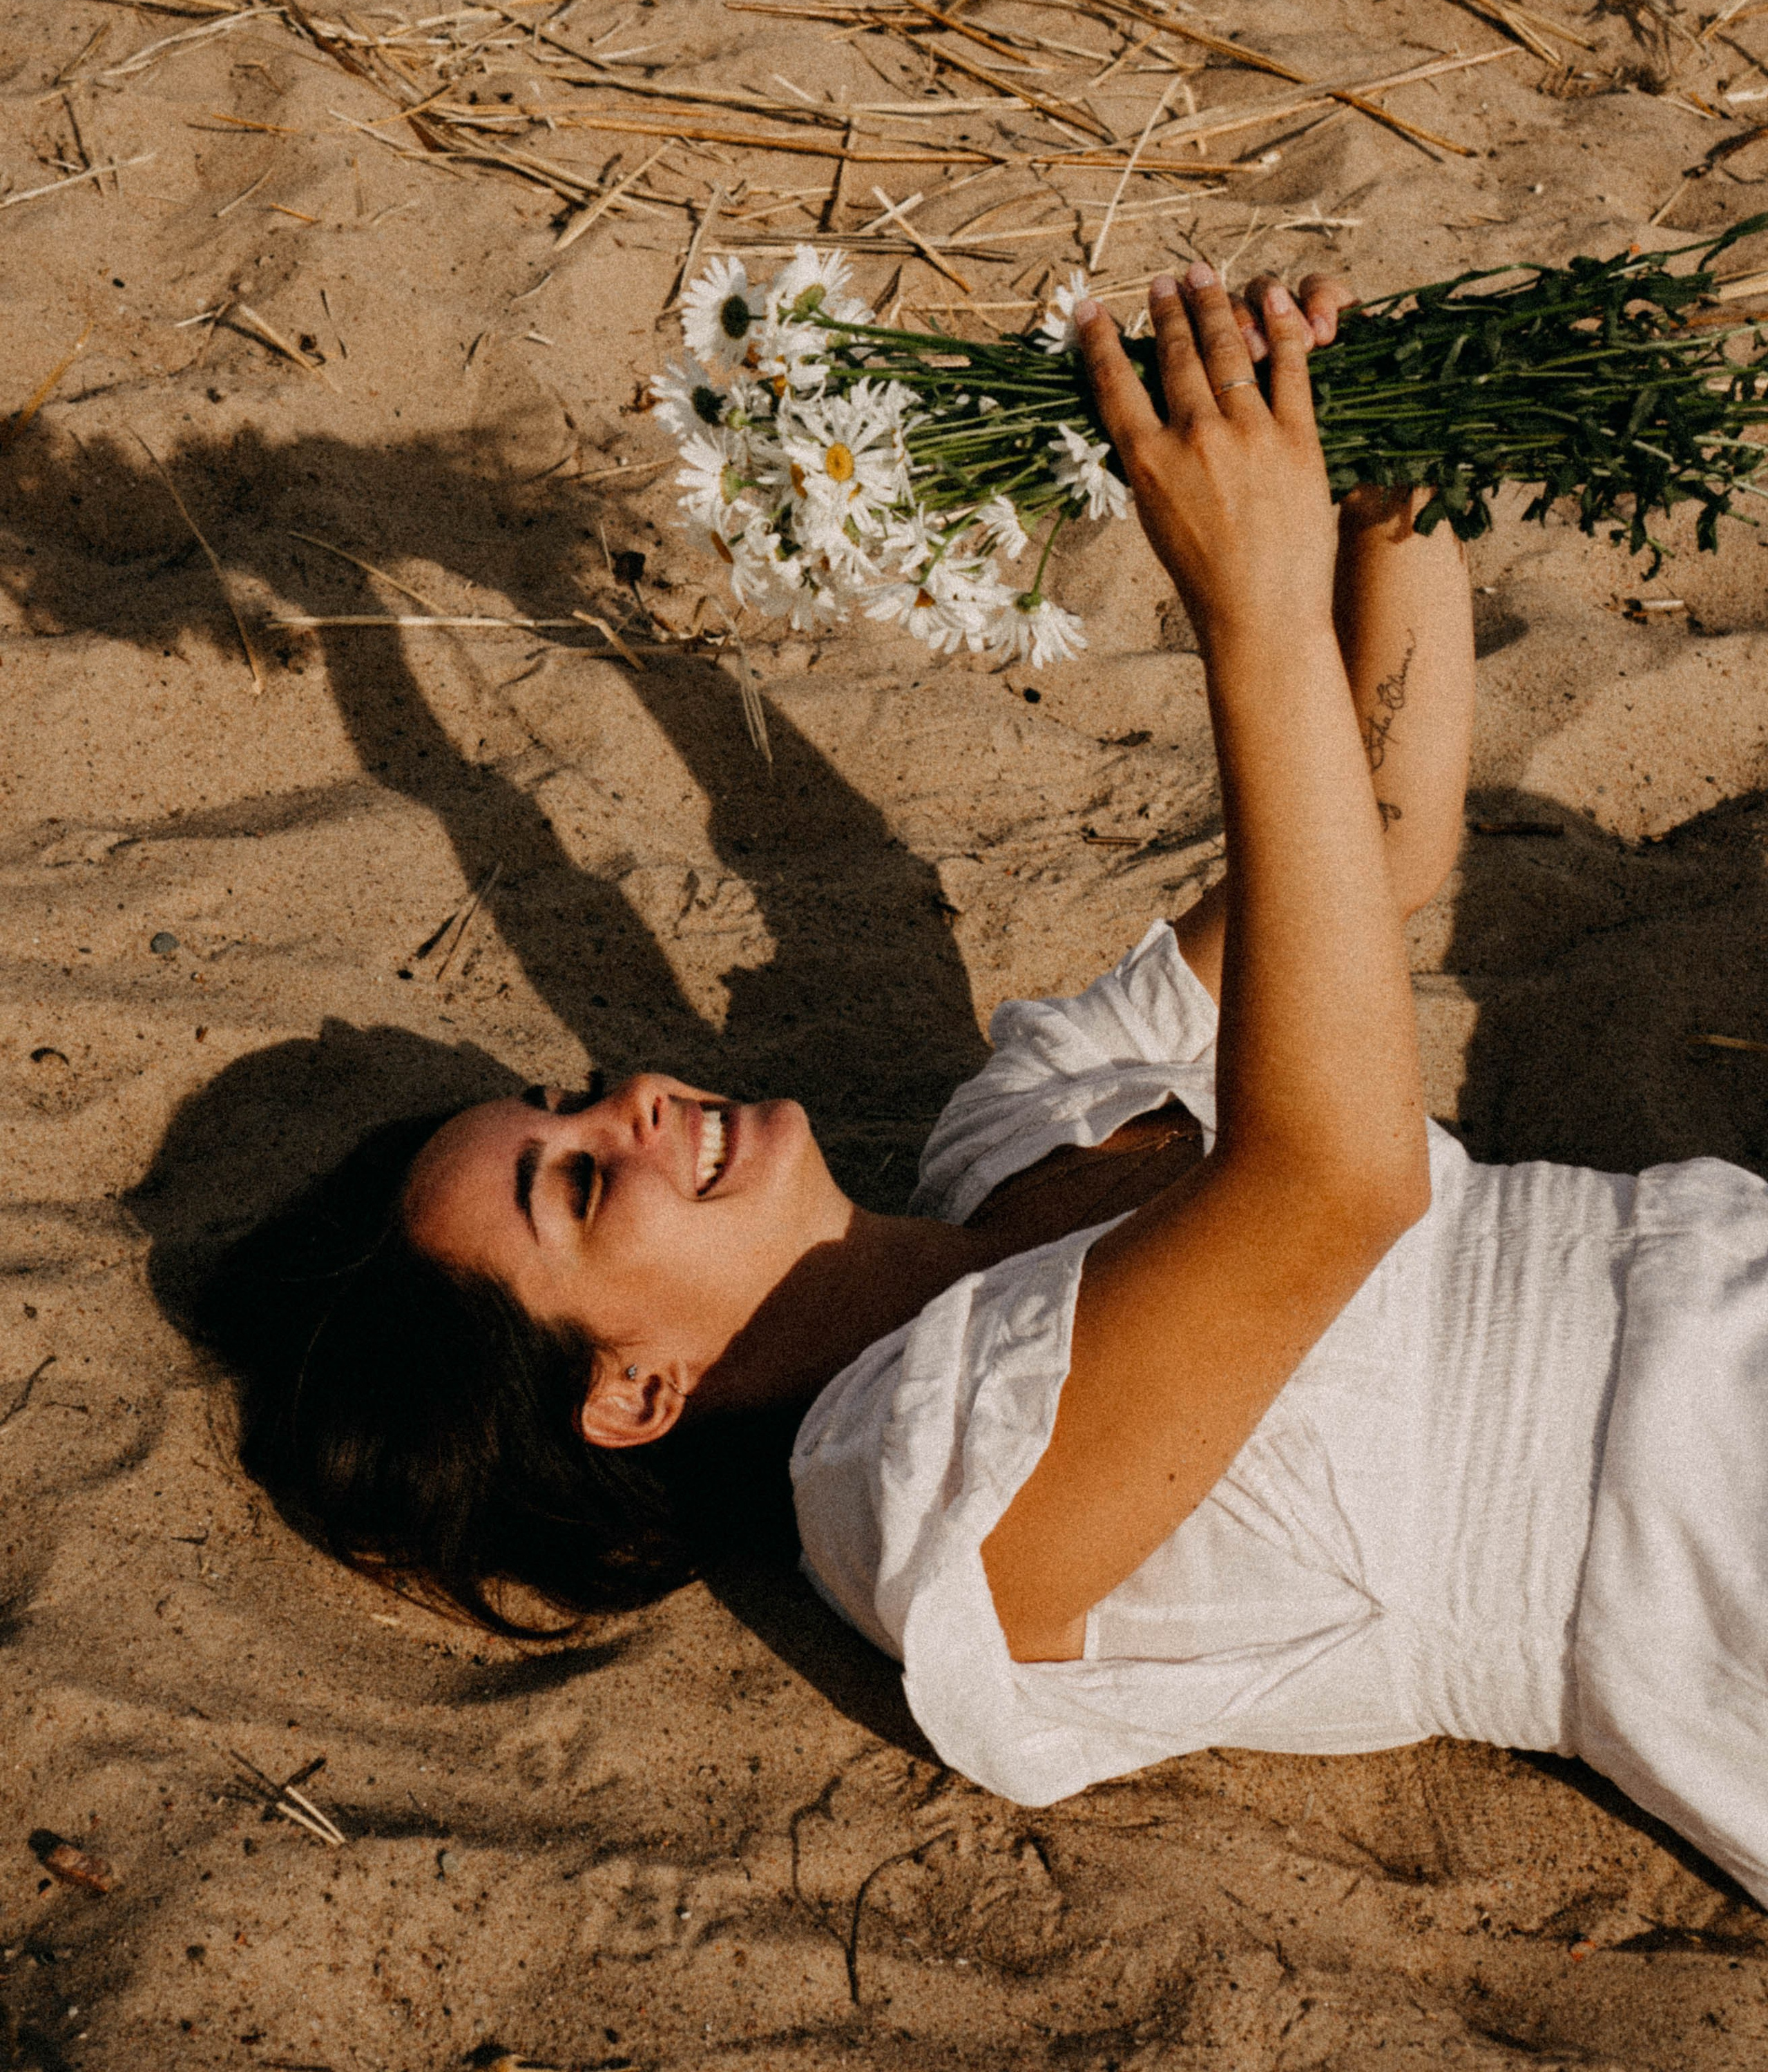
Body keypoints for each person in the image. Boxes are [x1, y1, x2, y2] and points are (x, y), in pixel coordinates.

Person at [193, 263, 1768, 1906]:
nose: (637, 1101)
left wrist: (1377, 479)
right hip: (1703, 1539)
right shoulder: (911, 1495)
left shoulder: (1025, 1121)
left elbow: (1371, 851)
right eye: (579, 1184)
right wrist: (1247, 608)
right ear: (635, 1395)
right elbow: (1332, 1183)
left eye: (575, 1097)